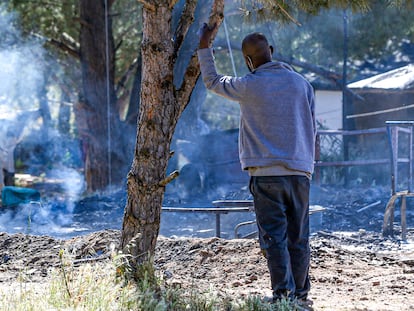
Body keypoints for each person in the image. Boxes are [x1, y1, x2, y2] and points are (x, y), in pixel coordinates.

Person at [197, 24, 316, 308]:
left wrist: (204, 45)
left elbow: (212, 81)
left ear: (248, 61)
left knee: (274, 237)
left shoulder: (248, 85)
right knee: (299, 236)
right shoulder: (303, 85)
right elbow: (314, 129)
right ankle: (300, 295)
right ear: (271, 52)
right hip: (300, 173)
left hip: (265, 176)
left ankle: (282, 295)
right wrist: (310, 166)